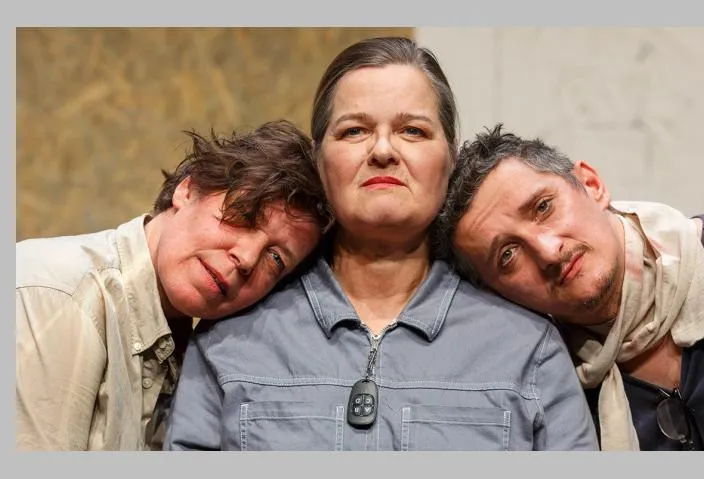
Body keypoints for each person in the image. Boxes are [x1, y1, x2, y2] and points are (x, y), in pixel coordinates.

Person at [163, 37, 598, 451]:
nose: (383, 150)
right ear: (318, 160)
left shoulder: (528, 347)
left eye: (413, 131)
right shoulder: (228, 341)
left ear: (450, 158)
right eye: (354, 131)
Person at [437, 123, 704, 451]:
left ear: (591, 184)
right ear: (497, 295)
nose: (548, 251)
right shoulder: (543, 380)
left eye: (543, 207)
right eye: (507, 255)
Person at [16, 119, 331, 451]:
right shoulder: (61, 299)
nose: (248, 258)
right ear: (188, 190)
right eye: (245, 215)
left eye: (276, 258)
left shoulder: (187, 344)